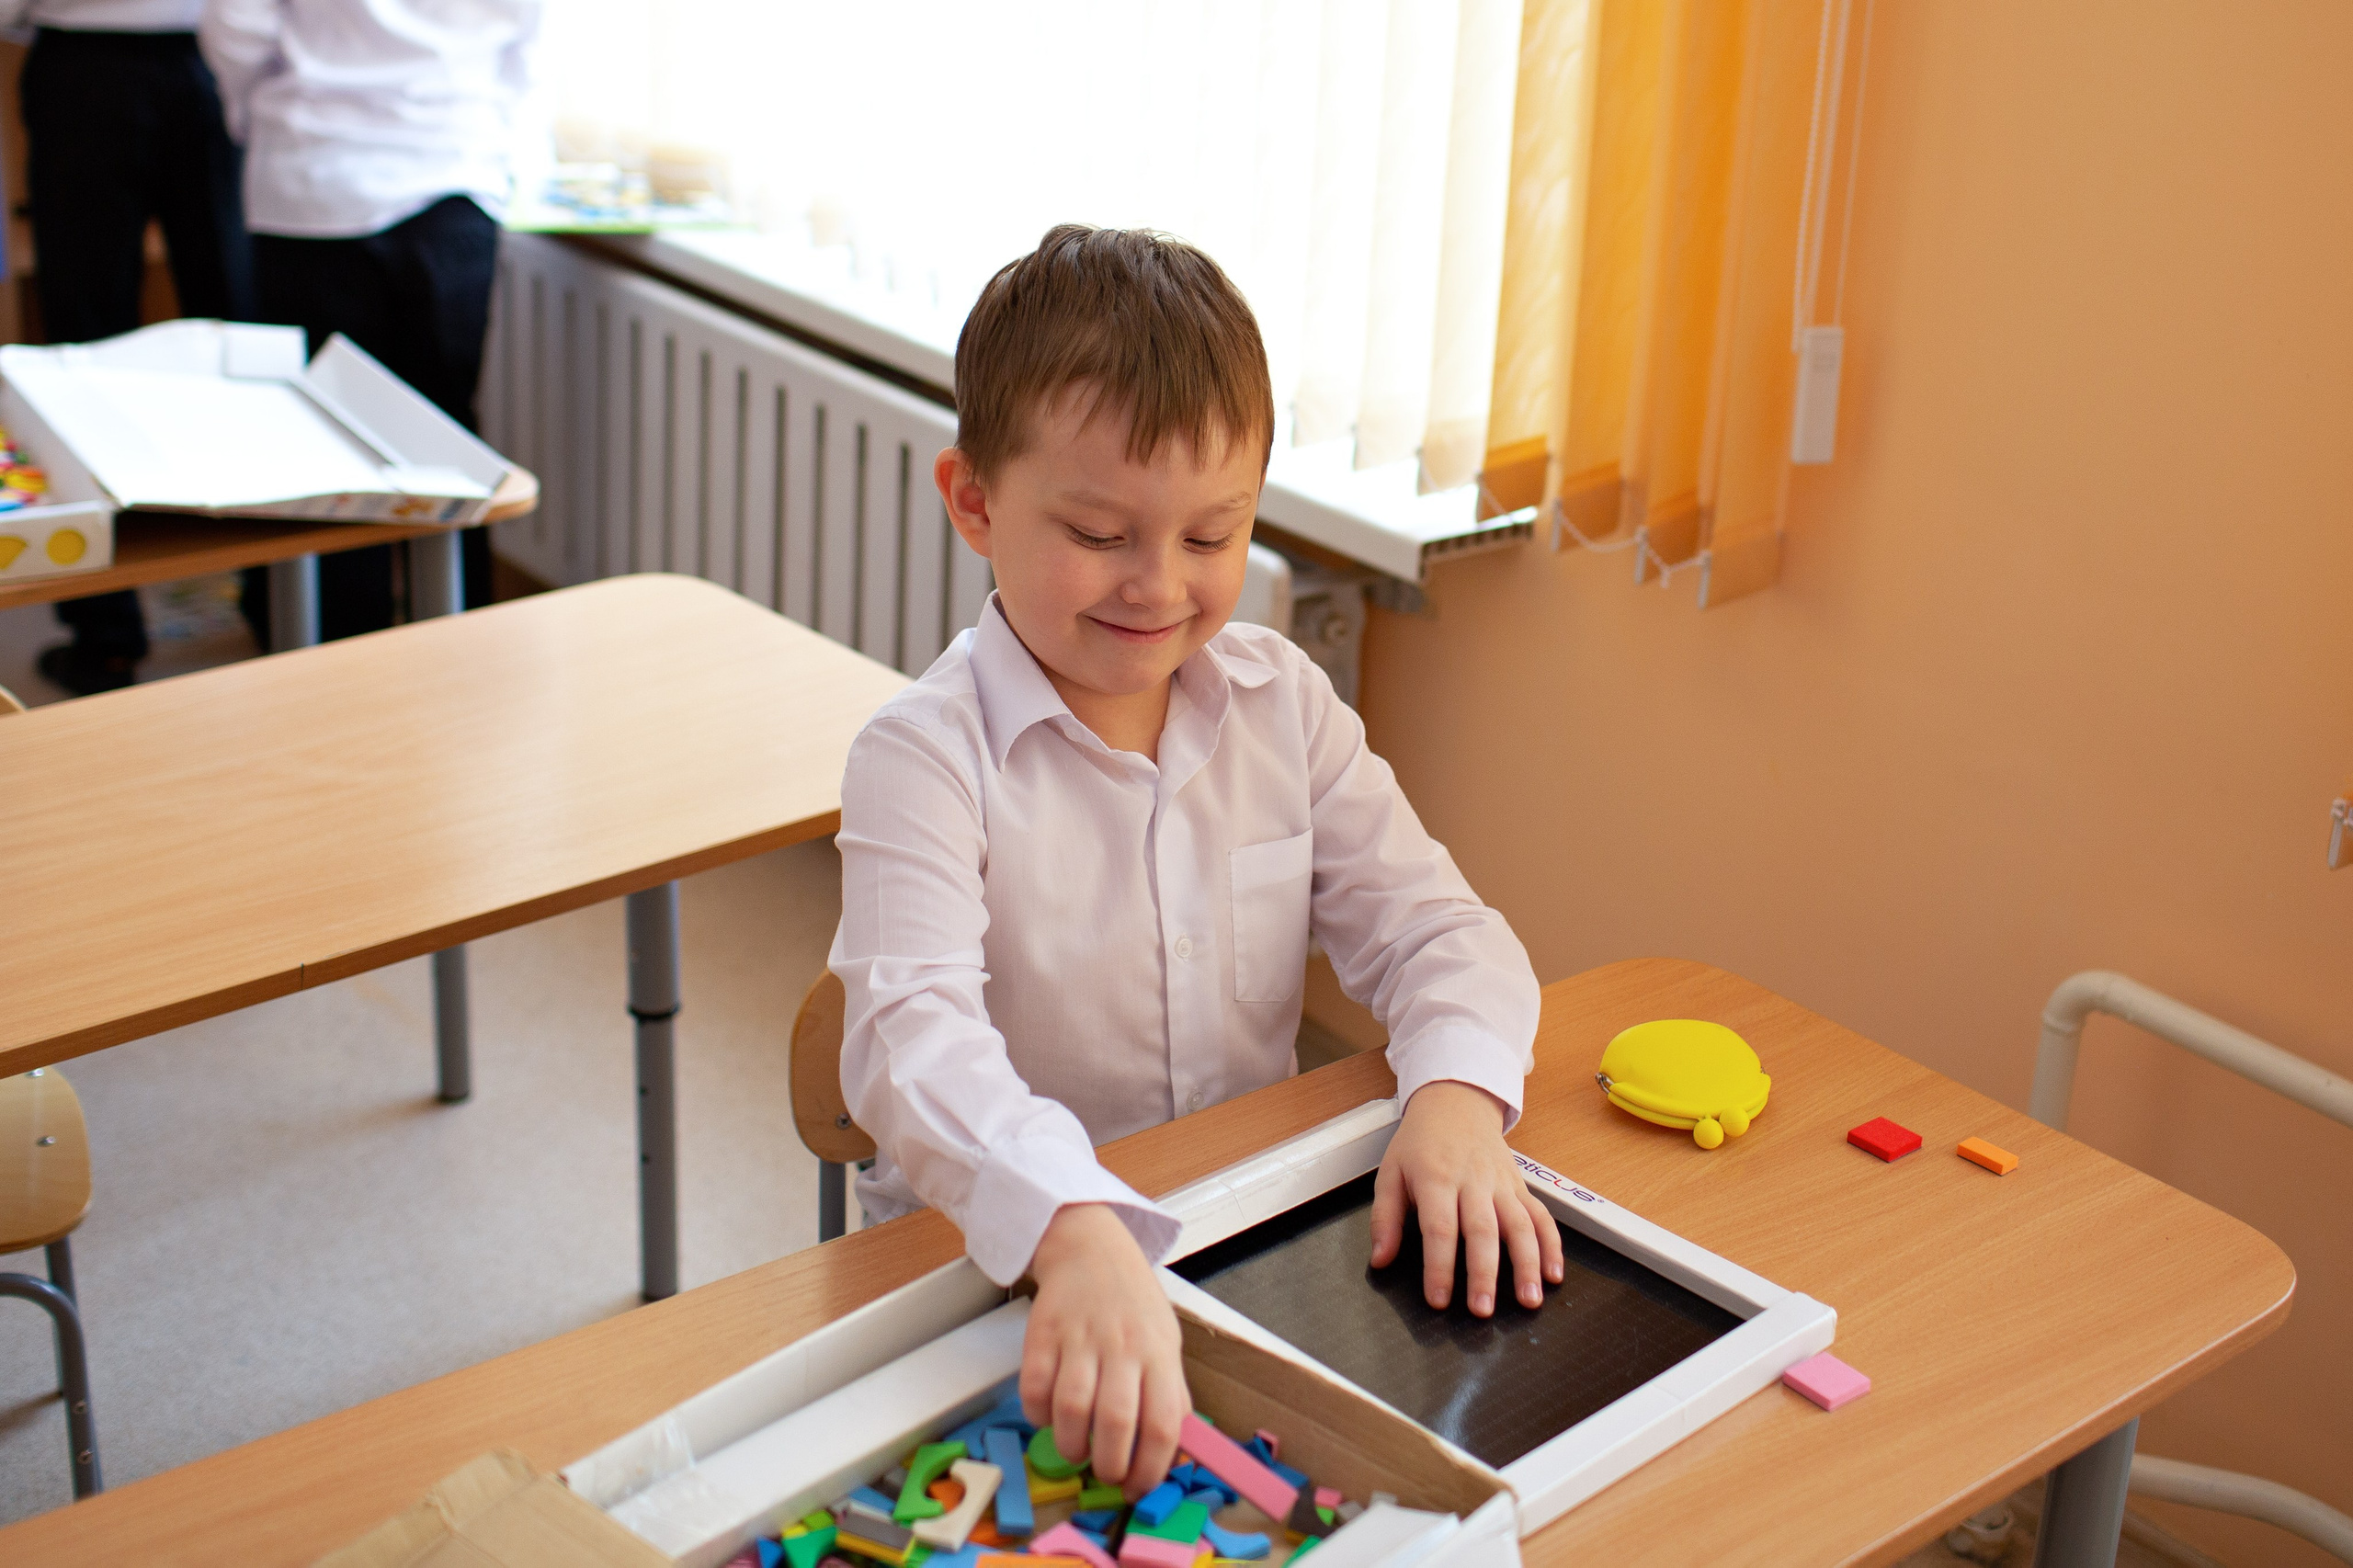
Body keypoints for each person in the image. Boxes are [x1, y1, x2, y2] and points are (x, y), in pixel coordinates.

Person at [832, 225, 1564, 1498]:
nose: (1158, 586)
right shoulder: (925, 755)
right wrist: (1074, 1222)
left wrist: (1452, 1098)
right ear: (974, 501)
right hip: (993, 1272)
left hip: (1240, 1252)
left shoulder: (1280, 703)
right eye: (1102, 531)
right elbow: (907, 1037)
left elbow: (1442, 929)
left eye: (1212, 535)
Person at [199, 0, 540, 644]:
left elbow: (237, 26)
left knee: (327, 435)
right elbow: (531, 40)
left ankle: (338, 646)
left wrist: (266, 114)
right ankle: (457, 638)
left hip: (315, 174)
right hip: (452, 171)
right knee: (446, 432)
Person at [6, 0, 253, 694]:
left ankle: (106, 640)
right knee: (237, 339)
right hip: (210, 61)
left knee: (85, 347)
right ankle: (276, 602)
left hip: (85, 66)